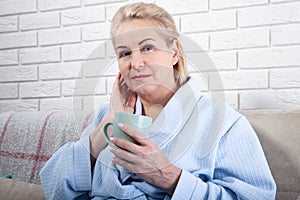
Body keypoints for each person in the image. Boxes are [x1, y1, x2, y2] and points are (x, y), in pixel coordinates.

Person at [40, 2, 276, 199]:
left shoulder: (223, 123)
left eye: (147, 47)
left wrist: (168, 176)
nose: (136, 62)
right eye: (125, 53)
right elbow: (55, 189)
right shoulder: (106, 115)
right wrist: (109, 122)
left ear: (174, 52)